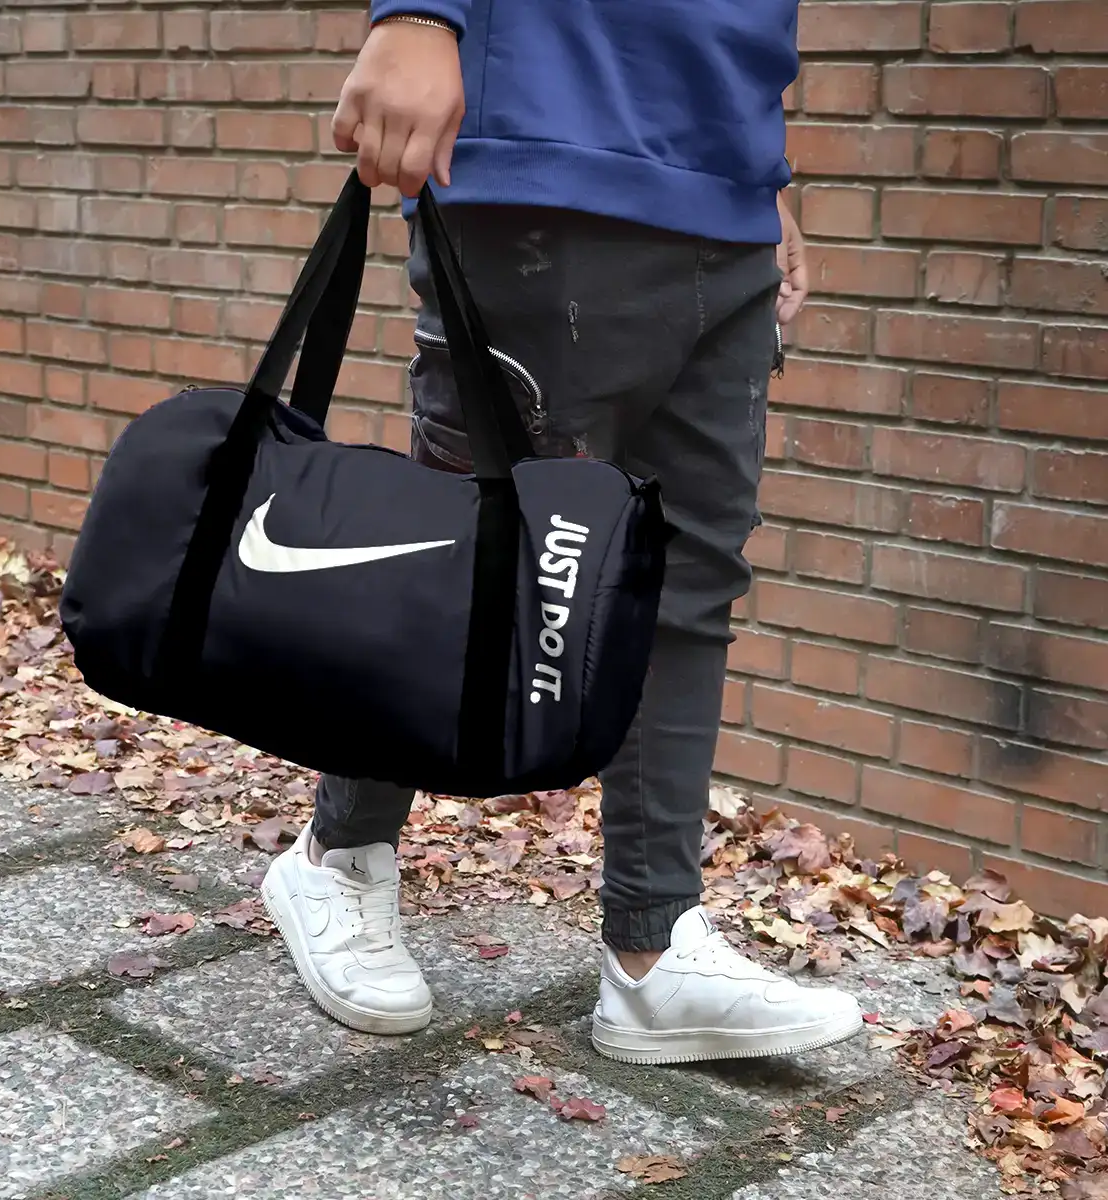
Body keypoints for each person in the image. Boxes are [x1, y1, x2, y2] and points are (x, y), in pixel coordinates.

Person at [261, 0, 864, 1063]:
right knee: (469, 563)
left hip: (721, 183)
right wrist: (419, 13)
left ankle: (652, 950)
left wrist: (758, 169)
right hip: (541, 148)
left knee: (685, 583)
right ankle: (337, 858)